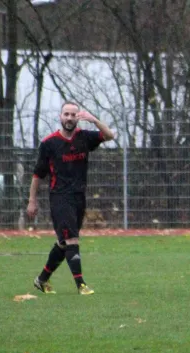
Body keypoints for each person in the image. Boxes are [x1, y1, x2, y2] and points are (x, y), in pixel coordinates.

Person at [27, 101, 115, 295]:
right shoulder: (49, 143)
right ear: (60, 116)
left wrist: (94, 120)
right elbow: (37, 175)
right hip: (59, 197)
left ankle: (41, 280)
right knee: (73, 240)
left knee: (64, 242)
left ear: (78, 117)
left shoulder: (84, 138)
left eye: (73, 115)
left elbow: (110, 135)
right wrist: (32, 200)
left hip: (78, 198)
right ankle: (81, 285)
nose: (69, 118)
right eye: (66, 114)